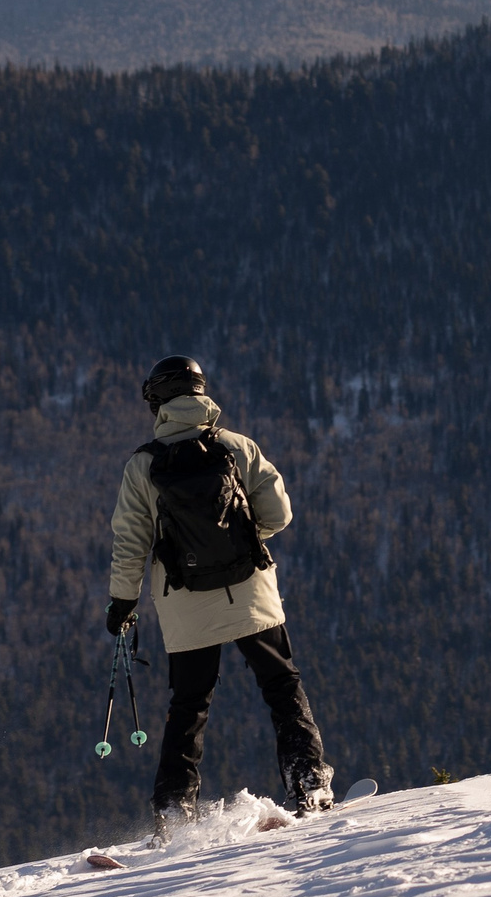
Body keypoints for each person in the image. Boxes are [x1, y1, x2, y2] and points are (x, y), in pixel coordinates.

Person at [108, 356, 333, 831]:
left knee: (189, 705)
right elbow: (279, 515)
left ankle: (174, 814)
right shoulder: (237, 446)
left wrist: (123, 604)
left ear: (159, 401)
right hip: (252, 592)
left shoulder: (143, 465)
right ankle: (309, 786)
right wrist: (243, 540)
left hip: (186, 603)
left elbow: (130, 542)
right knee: (282, 687)